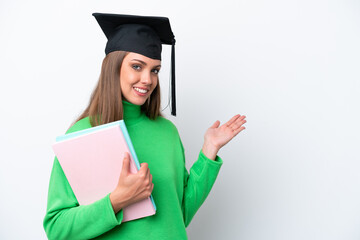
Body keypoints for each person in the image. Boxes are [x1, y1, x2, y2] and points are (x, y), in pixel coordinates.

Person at [43, 13, 247, 240]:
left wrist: (209, 150)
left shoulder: (167, 132)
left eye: (155, 70)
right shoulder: (82, 134)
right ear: (113, 67)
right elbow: (57, 229)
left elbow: (180, 215)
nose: (148, 79)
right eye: (137, 66)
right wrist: (117, 200)